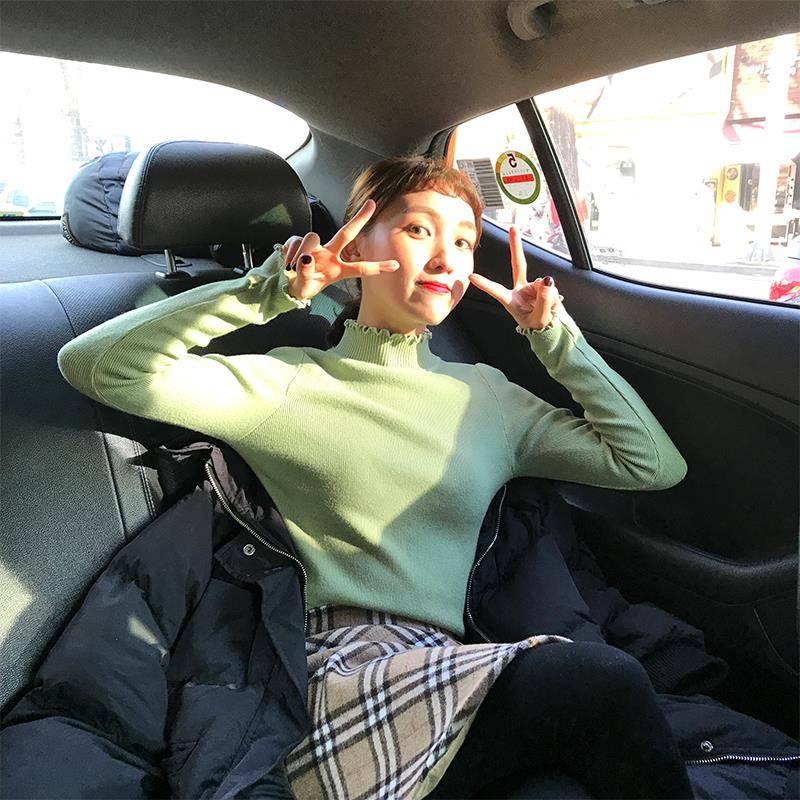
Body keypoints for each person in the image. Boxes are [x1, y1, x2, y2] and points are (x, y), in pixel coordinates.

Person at [57, 156, 693, 800]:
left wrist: (554, 337)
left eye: (464, 242)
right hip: (332, 677)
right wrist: (269, 290)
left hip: (452, 669)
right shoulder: (291, 382)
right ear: (357, 243)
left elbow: (648, 463)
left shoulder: (487, 398)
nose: (446, 259)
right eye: (419, 230)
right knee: (602, 681)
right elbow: (100, 367)